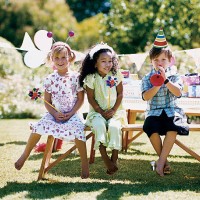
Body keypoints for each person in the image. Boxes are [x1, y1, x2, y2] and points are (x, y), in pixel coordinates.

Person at [15, 41, 89, 179]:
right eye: (57, 58)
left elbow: (80, 99)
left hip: (72, 113)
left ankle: (84, 165)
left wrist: (71, 113)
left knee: (79, 130)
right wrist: (54, 113)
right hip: (54, 113)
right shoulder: (50, 79)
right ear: (52, 59)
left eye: (63, 57)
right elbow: (47, 102)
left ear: (70, 58)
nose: (60, 61)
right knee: (38, 127)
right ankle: (24, 156)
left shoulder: (76, 78)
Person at [141, 28, 189, 177]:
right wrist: (156, 83)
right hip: (154, 112)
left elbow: (178, 93)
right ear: (151, 61)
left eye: (163, 60)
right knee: (150, 127)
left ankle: (160, 162)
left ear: (170, 61)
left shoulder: (174, 76)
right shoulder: (146, 78)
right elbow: (146, 97)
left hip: (172, 110)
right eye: (156, 60)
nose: (160, 62)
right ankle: (165, 161)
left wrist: (166, 80)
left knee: (173, 127)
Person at [79, 43, 127, 175]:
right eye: (103, 61)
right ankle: (105, 157)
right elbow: (90, 98)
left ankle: (114, 158)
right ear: (95, 63)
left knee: (114, 127)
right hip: (97, 113)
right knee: (99, 126)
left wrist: (113, 110)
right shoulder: (91, 78)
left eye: (110, 61)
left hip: (115, 112)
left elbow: (120, 94)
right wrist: (100, 111)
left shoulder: (116, 74)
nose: (108, 64)